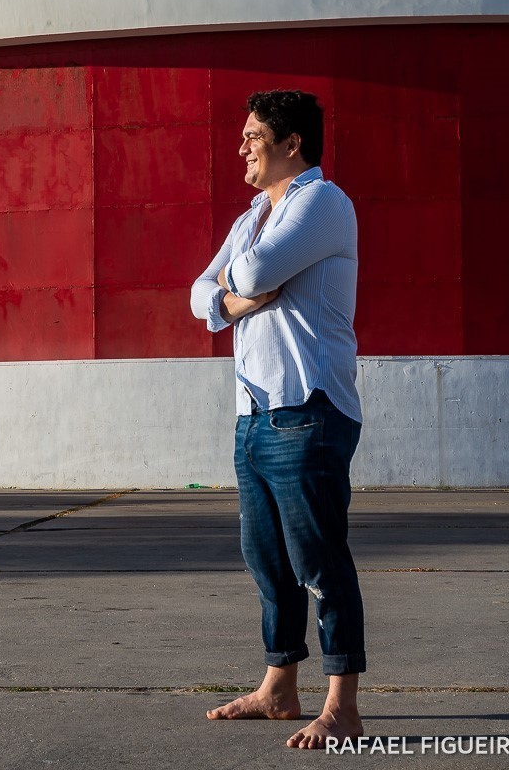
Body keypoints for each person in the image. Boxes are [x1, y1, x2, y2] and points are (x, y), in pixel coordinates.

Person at [190, 90, 365, 750]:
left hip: (308, 410)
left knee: (320, 563)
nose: (242, 147)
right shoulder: (252, 215)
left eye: (254, 136)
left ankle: (342, 706)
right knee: (268, 562)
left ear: (292, 143)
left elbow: (252, 271)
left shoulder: (323, 202)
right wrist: (237, 299)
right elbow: (201, 294)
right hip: (255, 413)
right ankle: (280, 687)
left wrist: (234, 290)